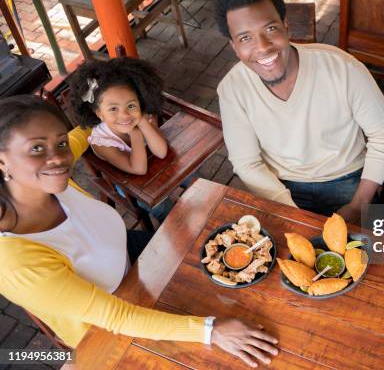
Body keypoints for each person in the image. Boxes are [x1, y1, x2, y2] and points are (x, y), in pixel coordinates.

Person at [0, 96, 278, 368]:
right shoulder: (13, 262)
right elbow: (117, 316)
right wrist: (211, 331)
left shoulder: (48, 177)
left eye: (59, 143)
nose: (58, 158)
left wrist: (116, 113)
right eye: (36, 149)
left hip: (132, 258)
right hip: (106, 326)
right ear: (2, 161)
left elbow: (80, 134)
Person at [215, 0, 384, 223]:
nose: (263, 47)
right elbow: (246, 163)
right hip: (279, 186)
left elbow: (383, 134)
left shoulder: (343, 67)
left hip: (349, 180)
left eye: (270, 29)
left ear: (286, 26)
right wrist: (292, 214)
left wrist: (359, 204)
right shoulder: (232, 89)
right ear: (234, 47)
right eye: (245, 38)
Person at [69, 57, 173, 221]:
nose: (124, 115)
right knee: (163, 207)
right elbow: (139, 169)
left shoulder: (141, 116)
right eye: (113, 109)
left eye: (131, 106)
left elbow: (161, 152)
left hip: (153, 166)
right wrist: (137, 134)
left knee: (193, 176)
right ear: (99, 114)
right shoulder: (102, 143)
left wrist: (144, 120)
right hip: (130, 185)